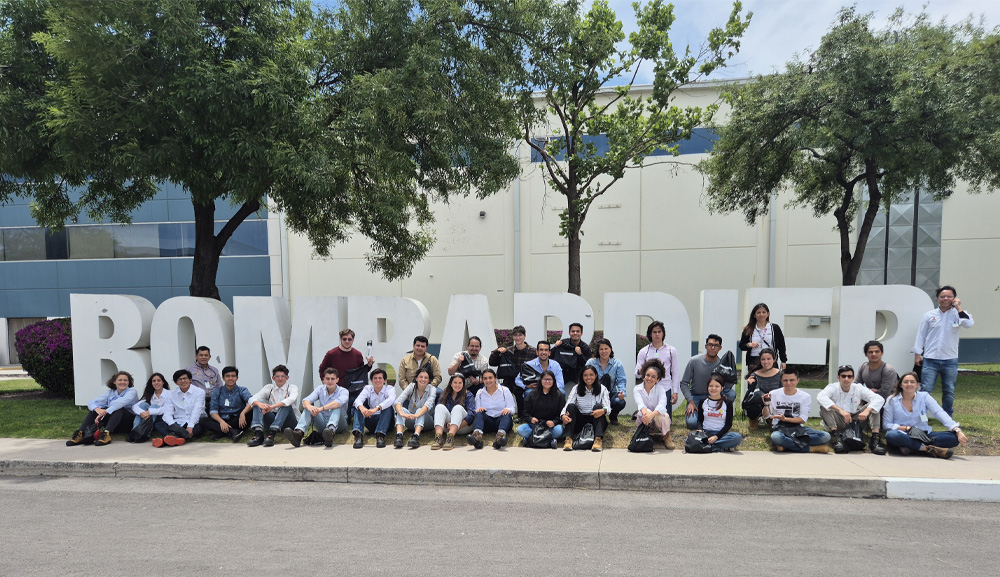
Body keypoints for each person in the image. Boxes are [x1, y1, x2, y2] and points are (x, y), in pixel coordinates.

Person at [912, 285, 974, 416]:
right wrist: (918, 354)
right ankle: (920, 416)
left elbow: (969, 324)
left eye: (949, 296)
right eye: (942, 296)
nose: (945, 299)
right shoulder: (929, 315)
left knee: (949, 390)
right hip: (930, 358)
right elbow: (921, 335)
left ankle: (947, 416)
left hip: (950, 359)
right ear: (937, 298)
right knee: (926, 389)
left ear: (954, 298)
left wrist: (958, 307)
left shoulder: (959, 314)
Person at [883, 372, 967, 459]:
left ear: (917, 385)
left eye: (912, 382)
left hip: (924, 435)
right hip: (904, 434)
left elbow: (939, 413)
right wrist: (907, 428)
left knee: (953, 438)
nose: (909, 384)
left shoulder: (924, 396)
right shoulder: (892, 400)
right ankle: (928, 449)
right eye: (905, 382)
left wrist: (957, 430)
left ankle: (913, 448)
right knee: (891, 435)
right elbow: (886, 424)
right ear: (900, 385)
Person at [817, 364, 886, 455]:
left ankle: (875, 440)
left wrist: (866, 410)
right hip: (839, 420)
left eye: (849, 376)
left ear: (853, 378)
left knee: (873, 407)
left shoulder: (858, 388)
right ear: (838, 377)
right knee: (824, 407)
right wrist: (841, 411)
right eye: (843, 376)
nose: (846, 379)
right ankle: (836, 438)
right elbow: (820, 397)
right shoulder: (833, 387)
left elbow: (879, 399)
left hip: (856, 421)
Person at [764, 367, 830, 453]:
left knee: (825, 436)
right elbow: (766, 416)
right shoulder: (773, 393)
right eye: (785, 380)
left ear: (797, 380)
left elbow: (802, 420)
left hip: (798, 428)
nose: (788, 383)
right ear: (781, 380)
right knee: (776, 438)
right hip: (779, 427)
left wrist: (785, 419)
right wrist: (766, 405)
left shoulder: (805, 396)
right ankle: (812, 448)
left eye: (792, 380)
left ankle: (786, 446)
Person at [66, 371, 139, 447]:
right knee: (93, 411)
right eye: (120, 380)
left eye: (125, 380)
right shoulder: (110, 392)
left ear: (129, 382)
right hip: (114, 424)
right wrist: (97, 409)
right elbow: (92, 402)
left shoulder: (132, 391)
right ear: (114, 382)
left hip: (128, 423)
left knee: (119, 409)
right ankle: (81, 434)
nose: (123, 382)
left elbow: (119, 403)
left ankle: (106, 434)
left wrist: (104, 412)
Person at [284, 367, 348, 448]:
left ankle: (331, 431)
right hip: (323, 424)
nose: (330, 381)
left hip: (339, 423)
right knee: (309, 408)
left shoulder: (344, 391)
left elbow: (338, 403)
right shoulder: (320, 389)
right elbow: (306, 400)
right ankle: (298, 434)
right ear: (324, 380)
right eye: (327, 379)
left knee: (336, 406)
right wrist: (309, 406)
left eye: (333, 379)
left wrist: (321, 409)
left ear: (337, 380)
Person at [681, 334, 730, 430]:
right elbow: (684, 383)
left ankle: (719, 415)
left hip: (713, 398)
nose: (712, 348)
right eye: (710, 345)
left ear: (720, 348)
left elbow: (726, 384)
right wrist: (690, 401)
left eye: (715, 346)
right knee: (691, 424)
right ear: (705, 346)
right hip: (695, 397)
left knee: (731, 394)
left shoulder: (722, 365)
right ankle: (702, 417)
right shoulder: (694, 361)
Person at [246, 365, 299, 447]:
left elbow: (291, 399)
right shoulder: (269, 388)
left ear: (287, 378)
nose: (280, 378)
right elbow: (251, 399)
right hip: (273, 418)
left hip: (289, 421)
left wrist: (272, 406)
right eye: (277, 376)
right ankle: (258, 434)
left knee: (286, 405)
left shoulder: (292, 387)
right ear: (273, 378)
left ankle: (272, 434)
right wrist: (260, 404)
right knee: (257, 402)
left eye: (283, 376)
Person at [489, 325, 536, 417]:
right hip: (509, 380)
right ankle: (498, 414)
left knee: (520, 391)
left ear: (524, 336)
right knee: (499, 390)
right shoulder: (508, 351)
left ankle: (523, 416)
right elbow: (492, 363)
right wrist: (497, 351)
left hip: (526, 380)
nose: (517, 338)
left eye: (520, 335)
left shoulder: (533, 351)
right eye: (515, 335)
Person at [560, 365, 610, 451]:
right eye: (585, 375)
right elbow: (568, 404)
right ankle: (568, 439)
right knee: (571, 406)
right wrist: (562, 416)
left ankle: (598, 440)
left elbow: (608, 409)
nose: (588, 378)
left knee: (598, 407)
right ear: (582, 377)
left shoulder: (602, 389)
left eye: (591, 375)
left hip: (596, 421)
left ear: (596, 375)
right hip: (581, 421)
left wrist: (602, 411)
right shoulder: (576, 388)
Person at [199, 366, 253, 442]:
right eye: (227, 376)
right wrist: (221, 422)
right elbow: (213, 411)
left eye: (233, 376)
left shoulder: (242, 390)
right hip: (221, 419)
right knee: (203, 420)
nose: (230, 378)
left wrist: (243, 413)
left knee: (250, 410)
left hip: (238, 420)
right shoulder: (217, 391)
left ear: (237, 378)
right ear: (223, 378)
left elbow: (251, 402)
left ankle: (220, 432)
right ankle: (232, 432)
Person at [634, 321, 679, 410]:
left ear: (663, 334)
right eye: (654, 332)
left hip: (665, 388)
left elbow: (675, 371)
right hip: (648, 389)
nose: (657, 334)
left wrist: (675, 391)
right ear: (650, 334)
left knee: (665, 420)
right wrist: (641, 370)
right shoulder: (644, 351)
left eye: (659, 332)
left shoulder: (671, 350)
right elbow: (637, 373)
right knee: (648, 420)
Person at [467, 369, 516, 450]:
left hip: (501, 420)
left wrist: (507, 409)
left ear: (495, 378)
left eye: (490, 378)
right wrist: (479, 409)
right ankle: (477, 438)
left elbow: (512, 408)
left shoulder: (504, 390)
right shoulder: (480, 392)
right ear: (482, 380)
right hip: (488, 423)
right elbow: (476, 410)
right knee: (479, 414)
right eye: (485, 378)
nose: (488, 380)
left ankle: (499, 438)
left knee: (507, 414)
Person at [693, 374, 743, 452]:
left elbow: (728, 424)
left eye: (717, 386)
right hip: (706, 433)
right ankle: (719, 447)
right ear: (707, 387)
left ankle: (707, 447)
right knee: (688, 439)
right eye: (711, 386)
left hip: (721, 434)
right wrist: (700, 430)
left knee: (737, 437)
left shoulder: (727, 403)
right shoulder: (703, 401)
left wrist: (716, 436)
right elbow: (700, 420)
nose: (713, 388)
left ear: (721, 388)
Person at [157, 369, 207, 447]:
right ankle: (181, 437)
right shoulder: (171, 394)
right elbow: (167, 412)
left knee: (199, 428)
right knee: (159, 424)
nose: (183, 381)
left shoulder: (199, 392)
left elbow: (197, 410)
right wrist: (174, 426)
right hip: (178, 421)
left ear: (190, 380)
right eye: (180, 379)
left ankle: (166, 439)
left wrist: (190, 426)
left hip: (194, 421)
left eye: (185, 378)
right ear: (176, 382)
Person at [516, 370, 566, 449]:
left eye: (550, 379)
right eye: (545, 379)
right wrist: (531, 419)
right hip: (535, 425)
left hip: (550, 426)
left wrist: (554, 422)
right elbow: (525, 413)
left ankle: (531, 439)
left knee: (559, 430)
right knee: (520, 430)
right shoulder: (532, 394)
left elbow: (561, 414)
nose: (547, 381)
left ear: (553, 381)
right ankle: (549, 441)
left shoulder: (559, 395)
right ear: (541, 380)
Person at [393, 367, 438, 449]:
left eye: (426, 378)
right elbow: (398, 401)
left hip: (427, 422)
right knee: (401, 409)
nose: (423, 379)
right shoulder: (411, 386)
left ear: (429, 380)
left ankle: (415, 437)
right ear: (416, 378)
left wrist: (417, 415)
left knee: (420, 409)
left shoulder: (432, 389)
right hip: (411, 420)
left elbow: (428, 405)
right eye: (421, 377)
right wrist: (402, 413)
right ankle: (399, 436)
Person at [585, 338, 627, 424]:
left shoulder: (617, 363)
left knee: (620, 402)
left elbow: (621, 380)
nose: (604, 351)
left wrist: (621, 392)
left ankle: (613, 416)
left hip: (610, 392)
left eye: (606, 349)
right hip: (594, 392)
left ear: (610, 349)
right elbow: (584, 377)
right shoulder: (591, 362)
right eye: (601, 349)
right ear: (598, 350)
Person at [352, 368, 396, 449]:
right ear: (371, 381)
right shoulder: (368, 388)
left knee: (387, 407)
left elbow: (391, 400)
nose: (377, 380)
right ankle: (358, 436)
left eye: (380, 378)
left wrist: (376, 409)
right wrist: (362, 408)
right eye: (375, 378)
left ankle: (380, 436)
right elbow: (358, 400)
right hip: (371, 420)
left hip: (387, 422)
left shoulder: (389, 388)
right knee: (358, 407)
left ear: (384, 380)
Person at [634, 359, 672, 450]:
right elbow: (640, 404)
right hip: (645, 416)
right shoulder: (637, 389)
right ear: (644, 376)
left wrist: (652, 414)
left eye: (653, 377)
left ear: (658, 379)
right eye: (647, 375)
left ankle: (666, 436)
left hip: (656, 416)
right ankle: (646, 433)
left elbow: (662, 404)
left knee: (664, 416)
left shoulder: (661, 389)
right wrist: (647, 414)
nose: (649, 378)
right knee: (642, 412)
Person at [739, 303, 787, 372]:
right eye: (758, 312)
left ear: (768, 314)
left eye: (764, 312)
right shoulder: (748, 329)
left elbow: (781, 345)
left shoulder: (774, 328)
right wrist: (749, 345)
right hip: (754, 360)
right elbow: (741, 346)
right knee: (754, 381)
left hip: (770, 360)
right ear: (754, 315)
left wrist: (783, 361)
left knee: (772, 381)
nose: (761, 314)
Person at [432, 374, 476, 450]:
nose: (457, 385)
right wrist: (446, 424)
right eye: (455, 382)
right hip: (447, 427)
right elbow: (437, 413)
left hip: (464, 426)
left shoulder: (468, 395)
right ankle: (438, 437)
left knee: (458, 408)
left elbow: (471, 415)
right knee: (439, 407)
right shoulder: (445, 394)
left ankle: (450, 439)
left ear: (463, 384)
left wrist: (455, 425)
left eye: (460, 383)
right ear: (451, 384)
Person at [744, 348, 782, 429]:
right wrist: (750, 384)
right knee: (752, 406)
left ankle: (770, 419)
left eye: (769, 359)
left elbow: (783, 390)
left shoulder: (780, 374)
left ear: (774, 360)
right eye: (763, 359)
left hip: (775, 402)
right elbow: (752, 393)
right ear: (760, 361)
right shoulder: (755, 374)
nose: (766, 362)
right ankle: (754, 420)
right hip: (759, 402)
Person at [129, 372, 170, 442]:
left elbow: (167, 409)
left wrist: (149, 412)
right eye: (154, 381)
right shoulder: (149, 394)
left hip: (163, 419)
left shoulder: (169, 394)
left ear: (163, 382)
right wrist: (142, 413)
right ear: (151, 383)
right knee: (143, 405)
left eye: (159, 380)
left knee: (154, 406)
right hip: (149, 418)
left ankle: (145, 434)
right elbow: (134, 406)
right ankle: (135, 432)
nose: (156, 382)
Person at [551, 322, 592, 387]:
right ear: (569, 333)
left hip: (577, 373)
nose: (575, 333)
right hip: (562, 372)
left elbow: (587, 365)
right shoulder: (562, 343)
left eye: (577, 331)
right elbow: (550, 357)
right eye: (573, 331)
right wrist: (555, 347)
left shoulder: (585, 347)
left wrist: (580, 354)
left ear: (581, 333)